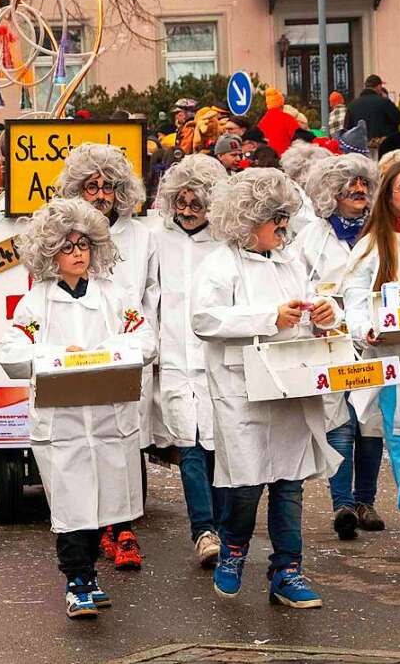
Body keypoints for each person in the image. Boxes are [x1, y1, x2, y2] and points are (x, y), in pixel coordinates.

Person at [0, 198, 155, 619]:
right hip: (63, 424)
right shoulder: (37, 303)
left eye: (84, 245)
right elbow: (12, 351)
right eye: (68, 247)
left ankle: (90, 576)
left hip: (107, 419)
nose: (78, 254)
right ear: (50, 252)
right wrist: (54, 355)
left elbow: (145, 341)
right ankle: (77, 580)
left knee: (105, 504)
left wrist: (109, 352)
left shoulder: (115, 297)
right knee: (71, 507)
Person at [193, 167, 342, 608]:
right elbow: (204, 319)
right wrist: (268, 317)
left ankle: (287, 570)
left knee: (290, 480)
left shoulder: (290, 259)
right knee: (247, 480)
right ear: (246, 219)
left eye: (285, 215)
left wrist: (326, 311)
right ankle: (234, 547)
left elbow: (320, 298)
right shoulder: (219, 264)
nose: (282, 223)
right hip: (243, 393)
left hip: (291, 386)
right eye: (273, 216)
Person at [55, 143, 158, 570]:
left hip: (129, 352)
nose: (101, 195)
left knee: (127, 441)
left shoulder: (142, 234)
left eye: (109, 187)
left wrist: (142, 346)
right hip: (82, 359)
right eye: (92, 186)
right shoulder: (65, 238)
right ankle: (96, 530)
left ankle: (125, 527)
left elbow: (151, 295)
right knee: (88, 443)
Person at [297, 154, 386, 540]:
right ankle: (342, 505)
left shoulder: (380, 232)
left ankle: (366, 500)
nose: (359, 191)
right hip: (329, 340)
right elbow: (296, 283)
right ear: (331, 193)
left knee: (370, 422)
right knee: (338, 421)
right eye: (350, 185)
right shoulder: (310, 238)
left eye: (364, 184)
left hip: (372, 339)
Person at [150, 155, 228, 569]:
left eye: (196, 202)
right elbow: (148, 299)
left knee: (217, 445)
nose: (187, 210)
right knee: (189, 446)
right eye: (181, 201)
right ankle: (204, 530)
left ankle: (220, 525)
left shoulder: (224, 243)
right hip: (175, 362)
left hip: (215, 361)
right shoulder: (157, 239)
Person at [341, 158, 400, 559]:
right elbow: (354, 299)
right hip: (398, 361)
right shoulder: (373, 245)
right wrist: (365, 328)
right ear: (388, 196)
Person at [345, 75, 400, 148]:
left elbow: (347, 129)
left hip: (361, 147)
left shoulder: (352, 105)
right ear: (379, 87)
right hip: (382, 146)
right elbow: (398, 118)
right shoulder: (384, 102)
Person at [257, 88, 303, 155]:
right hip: (285, 159)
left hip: (266, 159)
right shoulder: (288, 118)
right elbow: (299, 139)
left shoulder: (262, 122)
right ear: (281, 104)